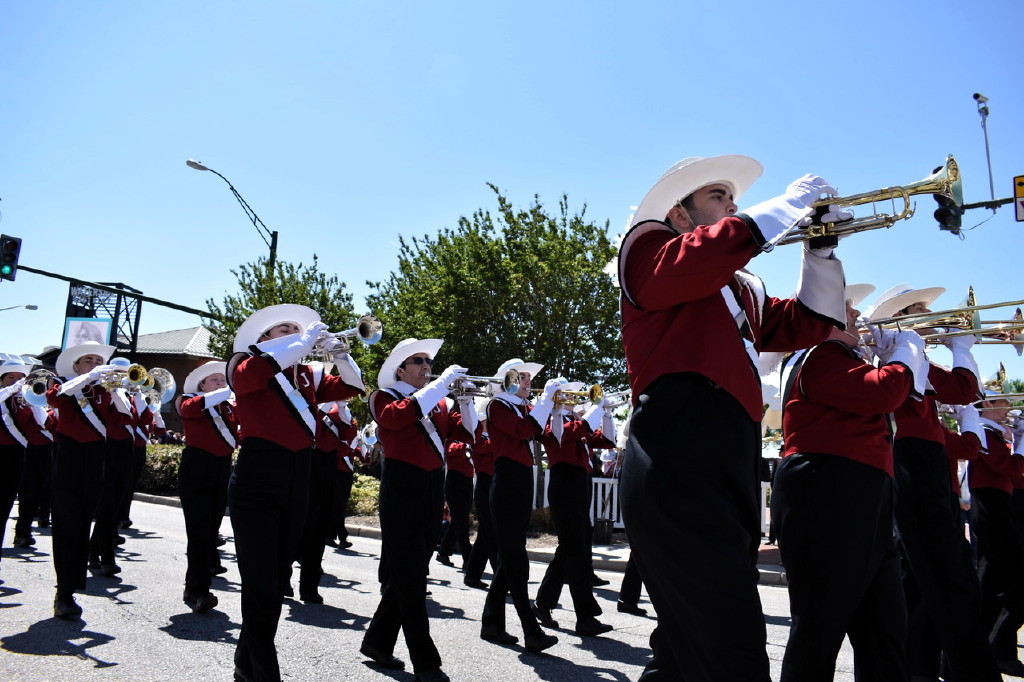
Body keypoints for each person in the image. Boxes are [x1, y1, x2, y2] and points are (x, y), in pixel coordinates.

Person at [616, 155, 848, 680]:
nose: (733, 206)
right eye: (718, 197)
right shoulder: (647, 249)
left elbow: (811, 321)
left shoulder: (743, 286)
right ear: (680, 214)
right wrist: (788, 204)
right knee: (734, 646)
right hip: (678, 448)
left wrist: (821, 247)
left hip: (731, 453)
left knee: (683, 652)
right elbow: (695, 260)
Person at [772, 292, 928, 680]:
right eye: (846, 307)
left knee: (885, 630)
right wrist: (904, 355)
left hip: (863, 495)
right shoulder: (818, 354)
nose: (857, 312)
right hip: (828, 491)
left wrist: (902, 359)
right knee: (818, 631)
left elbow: (905, 401)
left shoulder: (844, 359)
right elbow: (883, 392)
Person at [867, 284, 1001, 681]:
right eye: (920, 310)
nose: (930, 317)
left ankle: (919, 667)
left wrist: (962, 346)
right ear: (900, 317)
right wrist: (958, 348)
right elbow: (962, 393)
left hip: (923, 466)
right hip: (910, 463)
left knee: (922, 579)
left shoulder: (916, 360)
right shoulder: (892, 357)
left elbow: (963, 390)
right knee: (947, 575)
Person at [227, 304, 364, 682]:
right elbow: (249, 379)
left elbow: (353, 386)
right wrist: (303, 341)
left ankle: (245, 661)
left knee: (274, 579)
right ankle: (265, 672)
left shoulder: (305, 374)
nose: (291, 332)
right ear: (263, 339)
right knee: (258, 579)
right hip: (258, 475)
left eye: (294, 328)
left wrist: (340, 353)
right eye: (281, 329)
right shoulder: (245, 362)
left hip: (299, 473)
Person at [359, 337, 473, 682]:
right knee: (411, 578)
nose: (427, 366)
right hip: (402, 487)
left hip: (431, 485)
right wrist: (441, 386)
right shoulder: (384, 396)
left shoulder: (437, 402)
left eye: (429, 361)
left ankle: (377, 641)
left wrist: (465, 400)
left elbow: (467, 433)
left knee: (409, 572)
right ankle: (426, 663)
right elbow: (397, 419)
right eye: (419, 361)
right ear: (400, 369)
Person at [46, 340, 131, 618]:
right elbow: (54, 397)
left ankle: (72, 586)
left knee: (83, 523)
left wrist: (117, 389)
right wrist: (89, 377)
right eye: (88, 361)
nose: (95, 365)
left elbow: (126, 417)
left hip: (96, 459)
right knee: (66, 524)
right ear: (76, 366)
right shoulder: (66, 385)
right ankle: (63, 592)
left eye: (98, 361)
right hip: (69, 457)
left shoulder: (102, 391)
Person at [480, 358, 560, 653]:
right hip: (507, 482)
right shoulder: (497, 405)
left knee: (510, 558)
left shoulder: (520, 406)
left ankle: (491, 622)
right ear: (507, 379)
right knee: (516, 560)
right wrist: (544, 401)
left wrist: (557, 409)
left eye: (529, 378)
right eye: (522, 377)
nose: (528, 382)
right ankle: (531, 629)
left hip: (522, 479)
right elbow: (524, 431)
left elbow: (546, 435)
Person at [533, 381, 616, 636]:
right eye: (566, 393)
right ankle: (585, 617)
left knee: (571, 548)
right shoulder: (550, 419)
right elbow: (562, 436)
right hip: (564, 482)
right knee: (575, 550)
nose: (572, 396)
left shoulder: (577, 419)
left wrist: (607, 413)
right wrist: (595, 408)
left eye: (572, 392)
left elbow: (608, 440)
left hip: (581, 482)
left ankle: (544, 603)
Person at [968, 386, 1024, 676]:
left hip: (999, 503)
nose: (1008, 407)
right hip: (990, 504)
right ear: (987, 403)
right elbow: (1005, 468)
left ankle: (993, 651)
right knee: (1015, 583)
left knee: (991, 586)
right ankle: (992, 647)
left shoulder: (994, 432)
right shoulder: (982, 430)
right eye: (1004, 401)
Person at [175, 360, 237, 613]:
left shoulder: (228, 407)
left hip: (221, 467)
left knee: (210, 533)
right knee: (199, 532)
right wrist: (233, 387)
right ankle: (200, 589)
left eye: (223, 380)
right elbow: (188, 411)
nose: (221, 384)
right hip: (197, 468)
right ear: (202, 384)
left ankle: (193, 586)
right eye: (215, 380)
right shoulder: (189, 400)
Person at [11, 366, 56, 549]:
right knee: (27, 494)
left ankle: (24, 530)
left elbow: (50, 423)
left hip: (45, 451)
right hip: (26, 451)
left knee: (37, 494)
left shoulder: (44, 403)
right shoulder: (16, 402)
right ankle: (22, 532)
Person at [0, 362, 31, 558]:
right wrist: (13, 389)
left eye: (20, 377)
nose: (16, 381)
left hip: (16, 456)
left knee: (4, 508)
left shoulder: (24, 401)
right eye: (11, 377)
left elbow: (45, 423)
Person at [462, 413, 494, 590]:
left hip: (494, 481)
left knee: (486, 534)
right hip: (484, 482)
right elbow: (487, 448)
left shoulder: (492, 435)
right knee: (490, 531)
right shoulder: (478, 436)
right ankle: (501, 576)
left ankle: (473, 574)